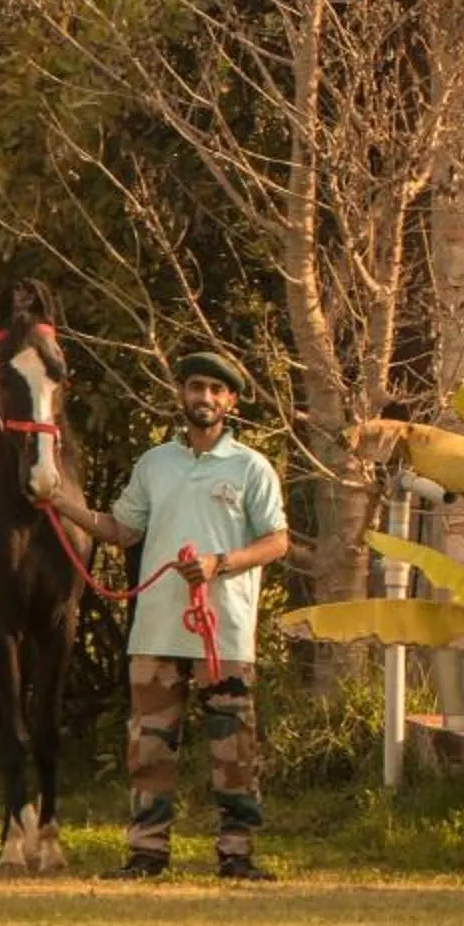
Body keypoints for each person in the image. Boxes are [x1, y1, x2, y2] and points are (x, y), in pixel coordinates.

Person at [45, 350, 290, 882]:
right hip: (155, 629)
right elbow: (122, 529)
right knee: (149, 748)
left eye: (216, 390)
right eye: (196, 386)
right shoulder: (154, 464)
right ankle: (147, 853)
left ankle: (237, 854)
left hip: (223, 634)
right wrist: (60, 503)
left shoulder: (251, 467)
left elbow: (277, 541)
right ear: (181, 393)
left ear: (231, 401)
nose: (205, 397)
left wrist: (220, 563)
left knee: (234, 748)